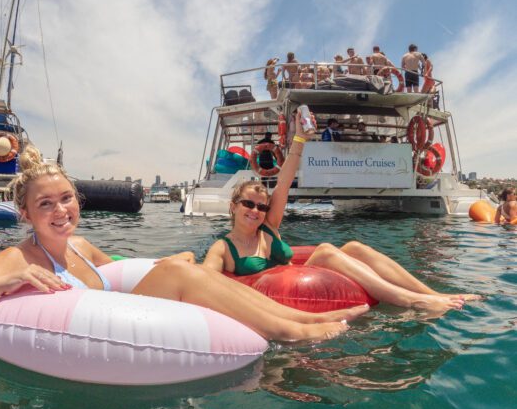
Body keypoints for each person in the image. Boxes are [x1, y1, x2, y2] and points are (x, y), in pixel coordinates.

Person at [0, 146, 356, 343]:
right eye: (46, 204)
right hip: (85, 339)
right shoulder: (14, 257)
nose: (60, 210)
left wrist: (168, 259)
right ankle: (290, 330)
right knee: (179, 273)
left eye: (66, 198)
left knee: (179, 266)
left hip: (118, 313)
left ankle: (297, 318)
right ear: (26, 214)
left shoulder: (81, 247)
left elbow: (121, 267)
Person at [203, 109, 474, 315]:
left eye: (261, 206)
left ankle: (432, 292)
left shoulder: (268, 226)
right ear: (234, 205)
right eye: (248, 204)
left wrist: (300, 139)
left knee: (355, 246)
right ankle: (409, 300)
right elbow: (203, 282)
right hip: (273, 293)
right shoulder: (224, 248)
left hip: (291, 276)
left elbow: (284, 180)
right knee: (325, 251)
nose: (256, 211)